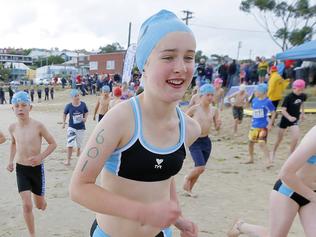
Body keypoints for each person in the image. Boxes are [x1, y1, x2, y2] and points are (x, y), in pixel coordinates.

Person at [69, 9, 200, 237]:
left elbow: (164, 177)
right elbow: (79, 188)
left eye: (189, 57)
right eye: (168, 57)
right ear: (144, 65)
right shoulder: (120, 120)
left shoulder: (189, 128)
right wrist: (142, 212)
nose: (181, 67)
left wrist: (177, 218)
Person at [228, 125, 316, 237]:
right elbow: (286, 173)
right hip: (288, 191)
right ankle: (240, 226)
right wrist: (313, 197)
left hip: (311, 195)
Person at [6, 91, 56, 237]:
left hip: (36, 169)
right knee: (27, 205)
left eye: (23, 105)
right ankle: (32, 234)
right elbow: (14, 144)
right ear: (13, 109)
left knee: (39, 206)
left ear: (30, 107)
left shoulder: (38, 126)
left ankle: (42, 200)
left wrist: (41, 156)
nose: (20, 108)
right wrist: (10, 161)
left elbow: (53, 144)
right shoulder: (12, 128)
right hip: (21, 169)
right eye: (17, 106)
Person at [183, 84, 220, 197]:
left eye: (211, 95)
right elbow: (183, 120)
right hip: (195, 140)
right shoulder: (195, 108)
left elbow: (217, 127)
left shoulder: (214, 110)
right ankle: (186, 178)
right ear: (201, 96)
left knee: (200, 168)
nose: (210, 97)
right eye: (207, 95)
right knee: (200, 166)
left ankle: (189, 190)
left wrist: (218, 124)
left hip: (206, 141)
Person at [272, 79, 307, 160]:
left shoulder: (302, 96)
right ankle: (273, 152)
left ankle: (291, 155)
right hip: (285, 119)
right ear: (294, 88)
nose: (300, 91)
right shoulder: (288, 97)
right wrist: (289, 117)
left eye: (302, 89)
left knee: (296, 137)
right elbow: (283, 110)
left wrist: (302, 113)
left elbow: (302, 103)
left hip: (294, 120)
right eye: (299, 89)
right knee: (279, 139)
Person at [245, 83, 276, 168]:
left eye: (257, 90)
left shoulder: (268, 101)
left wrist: (270, 124)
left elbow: (273, 113)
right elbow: (248, 107)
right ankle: (251, 158)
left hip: (263, 126)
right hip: (254, 125)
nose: (255, 92)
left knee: (262, 143)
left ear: (262, 92)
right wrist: (246, 99)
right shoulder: (254, 100)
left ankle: (268, 161)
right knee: (250, 143)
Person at [62, 89, 89, 166]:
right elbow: (64, 114)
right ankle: (68, 160)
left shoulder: (83, 104)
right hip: (72, 127)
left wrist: (85, 118)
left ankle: (78, 149)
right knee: (70, 143)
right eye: (75, 96)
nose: (77, 97)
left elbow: (86, 112)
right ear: (72, 97)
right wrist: (64, 123)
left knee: (79, 143)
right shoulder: (69, 106)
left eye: (78, 95)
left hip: (81, 128)